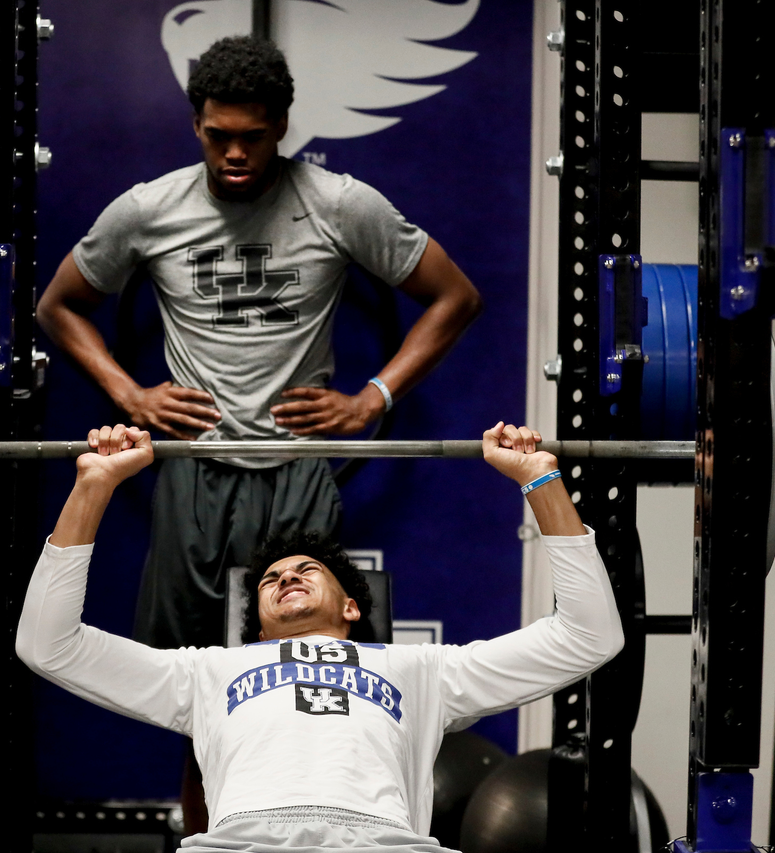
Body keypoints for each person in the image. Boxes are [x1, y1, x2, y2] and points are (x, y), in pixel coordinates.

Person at [35, 35, 483, 653]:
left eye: (253, 136)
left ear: (281, 127)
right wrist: (128, 394)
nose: (236, 152)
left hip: (297, 468)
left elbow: (456, 298)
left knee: (304, 654)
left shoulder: (339, 204)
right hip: (193, 469)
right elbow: (57, 307)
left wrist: (372, 399)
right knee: (187, 673)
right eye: (219, 135)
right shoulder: (148, 209)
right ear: (196, 125)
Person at [16, 421, 625, 852]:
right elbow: (49, 645)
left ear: (353, 608)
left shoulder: (423, 671)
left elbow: (587, 636)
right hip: (242, 845)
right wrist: (92, 486)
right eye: (273, 578)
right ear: (255, 626)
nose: (288, 577)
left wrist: (541, 480)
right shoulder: (205, 674)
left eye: (310, 570)